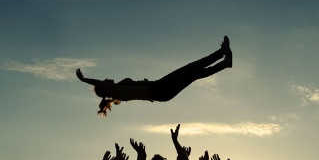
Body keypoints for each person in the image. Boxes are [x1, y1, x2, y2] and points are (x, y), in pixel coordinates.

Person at [76, 36, 233, 116]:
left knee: (193, 74)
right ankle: (221, 52)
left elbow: (125, 83)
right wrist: (84, 80)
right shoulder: (115, 91)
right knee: (190, 69)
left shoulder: (118, 92)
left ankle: (224, 63)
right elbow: (100, 83)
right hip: (159, 89)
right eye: (104, 82)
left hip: (161, 93)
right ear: (105, 88)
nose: (106, 79)